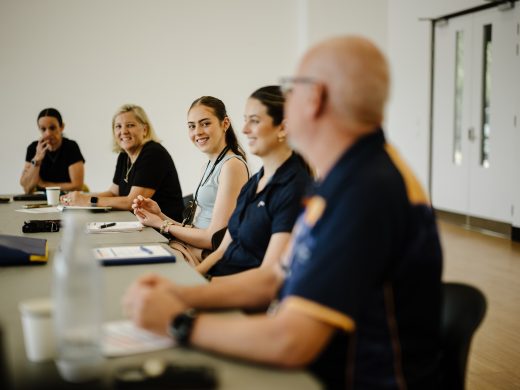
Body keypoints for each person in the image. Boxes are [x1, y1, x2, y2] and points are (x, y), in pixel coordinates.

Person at [123, 36, 443, 389]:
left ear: (316, 98)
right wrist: (179, 293)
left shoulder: (366, 191)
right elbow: (274, 278)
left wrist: (177, 322)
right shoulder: (346, 176)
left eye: (292, 91)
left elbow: (292, 341)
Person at [196, 86, 312, 277]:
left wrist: (188, 293)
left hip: (239, 294)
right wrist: (191, 278)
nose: (244, 129)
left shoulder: (295, 187)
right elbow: (221, 251)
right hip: (218, 280)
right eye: (245, 120)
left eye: (254, 121)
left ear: (283, 127)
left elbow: (268, 278)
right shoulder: (254, 183)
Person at [132, 96, 249, 265]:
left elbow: (212, 238)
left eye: (205, 123)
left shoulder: (232, 166)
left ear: (225, 124)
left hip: (208, 254)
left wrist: (162, 224)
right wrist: (160, 215)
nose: (198, 132)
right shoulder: (210, 164)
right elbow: (197, 230)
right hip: (194, 246)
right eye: (192, 126)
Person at [62, 104, 184, 220]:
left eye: (130, 125)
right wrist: (78, 198)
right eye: (118, 126)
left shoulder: (153, 153)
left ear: (145, 129)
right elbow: (113, 193)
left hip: (165, 228)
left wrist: (87, 200)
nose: (124, 131)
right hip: (141, 223)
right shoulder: (124, 155)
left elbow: (132, 201)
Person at [20, 108, 85, 194]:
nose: (48, 133)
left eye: (52, 128)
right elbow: (27, 187)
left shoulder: (71, 147)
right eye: (43, 129)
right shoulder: (33, 148)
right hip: (39, 200)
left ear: (62, 127)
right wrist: (37, 160)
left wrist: (43, 185)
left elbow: (77, 185)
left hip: (65, 198)